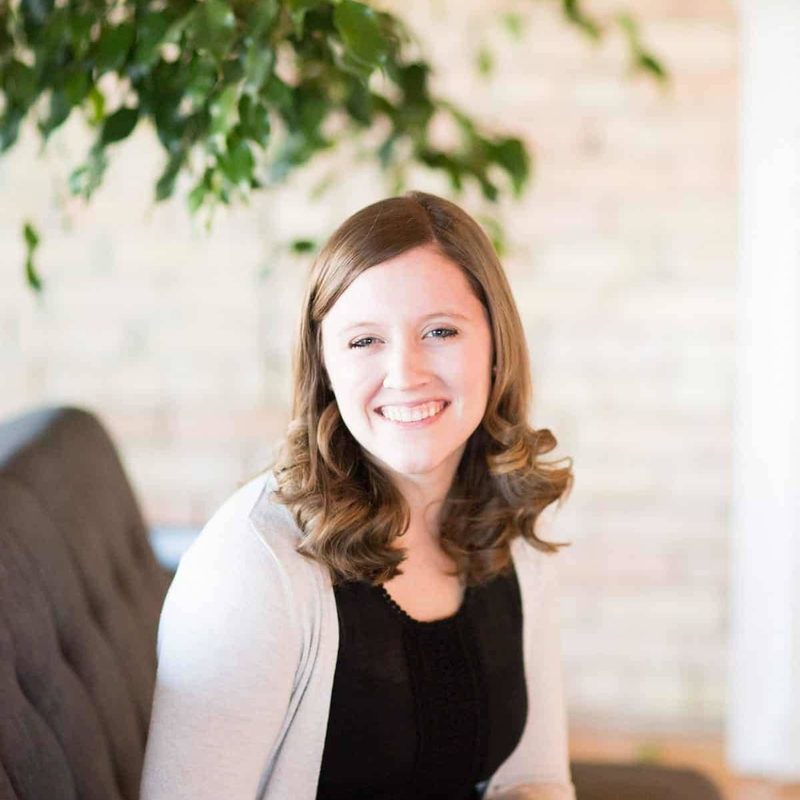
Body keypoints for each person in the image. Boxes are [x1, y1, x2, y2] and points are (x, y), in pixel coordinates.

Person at [140, 191, 576, 800]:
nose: (406, 373)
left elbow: (533, 779)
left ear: (496, 344)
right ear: (325, 366)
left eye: (441, 330)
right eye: (364, 341)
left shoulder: (508, 518)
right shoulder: (251, 565)